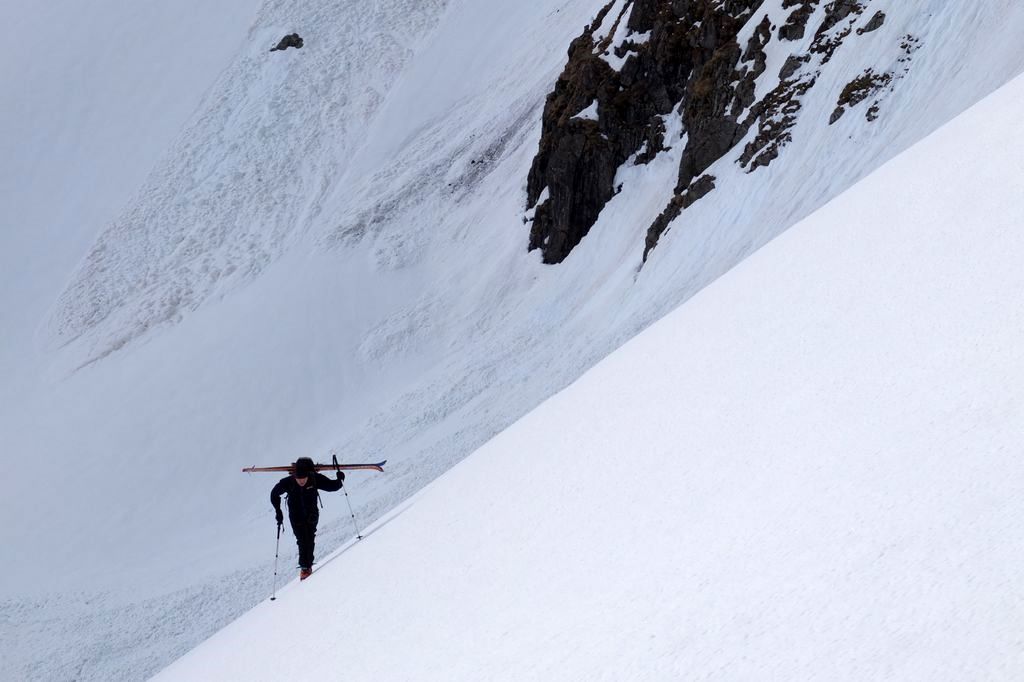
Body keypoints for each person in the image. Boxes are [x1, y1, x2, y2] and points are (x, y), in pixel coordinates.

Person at [271, 457, 344, 580]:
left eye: (303, 479)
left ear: (308, 475)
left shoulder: (314, 479)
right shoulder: (288, 482)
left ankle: (307, 566)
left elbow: (332, 486)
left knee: (310, 538)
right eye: (298, 479)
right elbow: (274, 494)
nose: (301, 482)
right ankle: (305, 567)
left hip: (312, 515)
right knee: (301, 540)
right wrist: (278, 511)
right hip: (295, 516)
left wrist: (340, 479)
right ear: (294, 476)